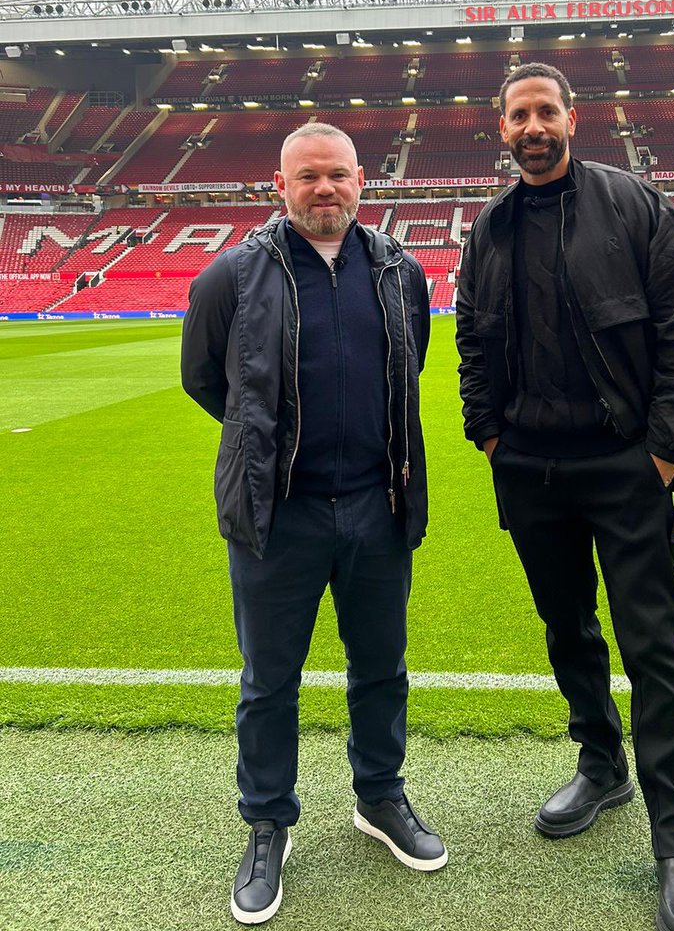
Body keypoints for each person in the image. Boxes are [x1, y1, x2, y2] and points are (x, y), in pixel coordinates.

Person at [456, 63, 674, 931]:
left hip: (624, 464)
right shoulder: (489, 229)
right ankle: (600, 762)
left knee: (653, 645)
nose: (533, 126)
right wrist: (488, 434)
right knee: (566, 627)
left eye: (546, 111)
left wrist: (661, 456)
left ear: (574, 117)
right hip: (529, 467)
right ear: (501, 129)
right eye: (517, 115)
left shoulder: (637, 206)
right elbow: (470, 338)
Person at [182, 123, 446, 926]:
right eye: (309, 178)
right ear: (280, 183)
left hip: (376, 504)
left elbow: (413, 366)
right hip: (278, 517)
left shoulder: (401, 270)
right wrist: (271, 455)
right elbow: (206, 380)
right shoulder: (233, 273)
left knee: (381, 667)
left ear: (361, 180)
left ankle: (380, 798)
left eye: (337, 175)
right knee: (269, 681)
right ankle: (267, 821)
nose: (324, 189)